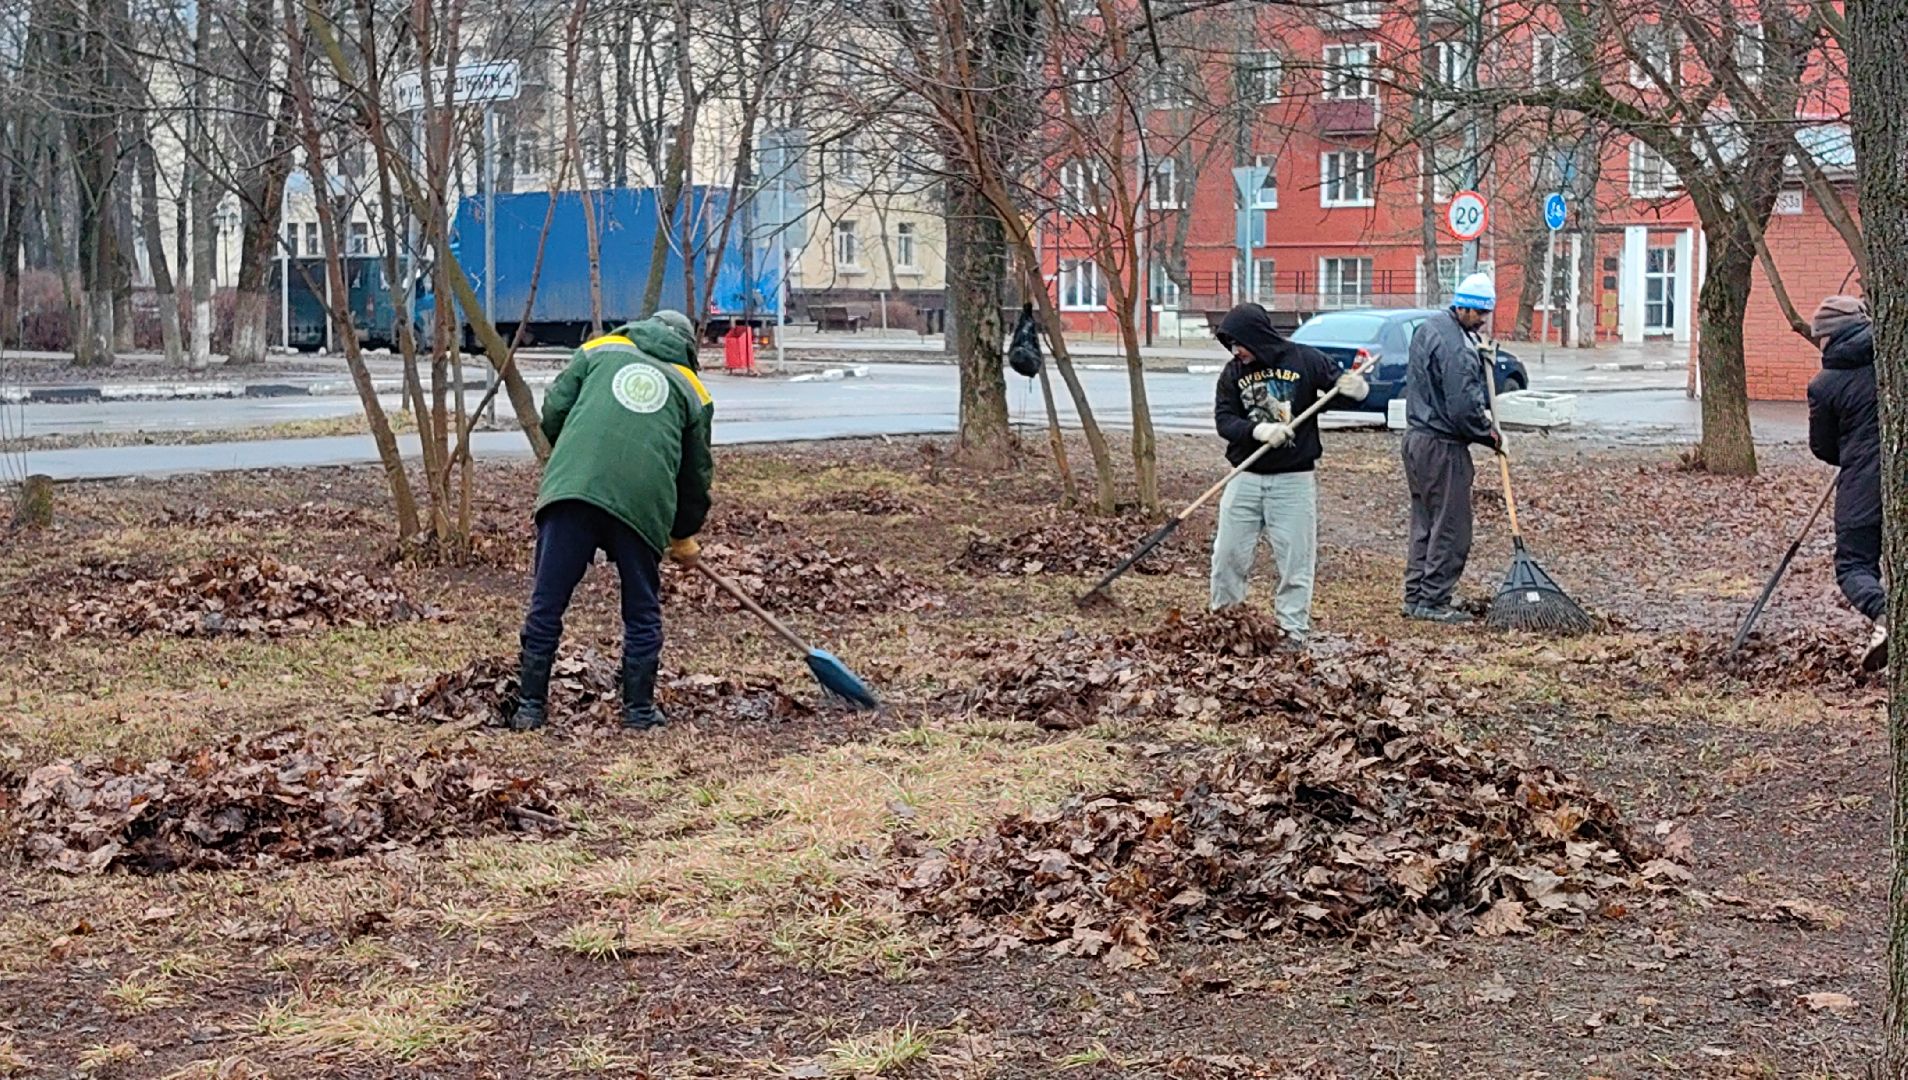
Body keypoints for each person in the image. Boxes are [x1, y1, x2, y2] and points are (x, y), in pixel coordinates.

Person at [513, 309, 715, 732]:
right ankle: (639, 712)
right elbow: (695, 475)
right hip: (642, 504)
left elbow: (554, 410)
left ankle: (529, 708)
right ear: (687, 348)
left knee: (547, 602)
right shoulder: (693, 390)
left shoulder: (598, 350)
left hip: (573, 490)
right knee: (641, 608)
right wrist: (683, 532)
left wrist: (577, 454)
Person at [1210, 302, 1369, 644]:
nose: (1236, 350)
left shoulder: (1305, 360)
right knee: (1228, 556)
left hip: (1293, 482)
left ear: (1256, 336)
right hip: (1245, 477)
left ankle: (1292, 631)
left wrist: (1356, 388)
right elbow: (1225, 421)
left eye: (1239, 342)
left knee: (1295, 560)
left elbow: (1339, 390)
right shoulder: (1233, 373)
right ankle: (1225, 623)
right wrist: (1259, 432)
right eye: (1230, 344)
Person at [1400, 271, 1500, 624]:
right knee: (1451, 525)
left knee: (1425, 520)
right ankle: (1433, 600)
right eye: (1480, 314)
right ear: (1465, 308)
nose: (1483, 321)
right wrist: (1488, 434)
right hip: (1442, 445)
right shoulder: (1458, 347)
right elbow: (1462, 407)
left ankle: (1416, 595)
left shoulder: (1429, 329)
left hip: (1416, 440)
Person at [1806, 294, 1887, 671]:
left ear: (1829, 338)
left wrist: (1853, 449)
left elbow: (1823, 448)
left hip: (1862, 486)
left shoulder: (1825, 385)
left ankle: (1888, 617)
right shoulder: (1892, 364)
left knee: (1853, 566)